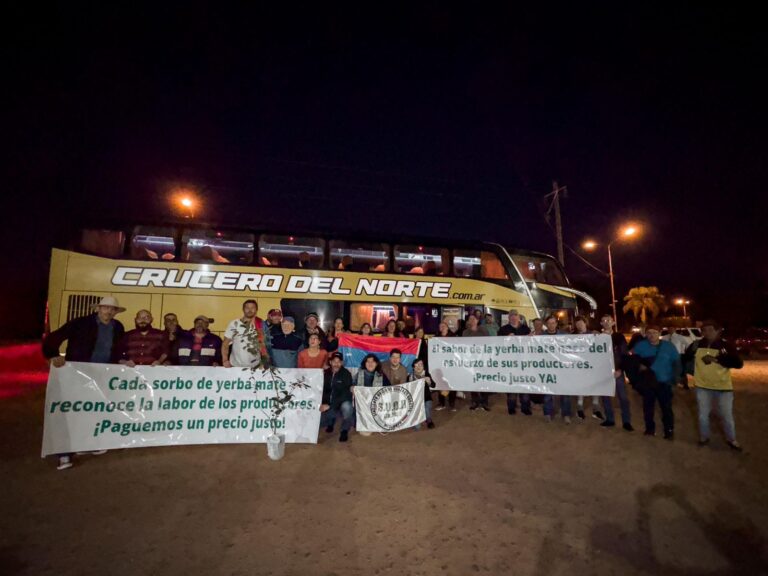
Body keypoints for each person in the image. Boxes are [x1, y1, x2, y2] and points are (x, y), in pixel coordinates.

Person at [42, 296, 126, 471]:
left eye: (112, 309)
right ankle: (64, 454)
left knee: (93, 409)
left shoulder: (118, 327)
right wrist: (52, 354)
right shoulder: (80, 323)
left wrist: (121, 361)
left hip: (102, 375)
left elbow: (117, 349)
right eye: (105, 308)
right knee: (71, 411)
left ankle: (88, 443)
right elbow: (54, 338)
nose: (108, 312)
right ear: (98, 309)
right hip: (77, 374)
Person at [693, 320, 744, 451]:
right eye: (704, 330)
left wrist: (716, 359)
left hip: (723, 387)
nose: (707, 332)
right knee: (703, 415)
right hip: (702, 386)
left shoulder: (726, 345)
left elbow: (738, 364)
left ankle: (732, 439)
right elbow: (685, 358)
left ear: (717, 331)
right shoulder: (696, 345)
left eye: (710, 329)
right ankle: (704, 437)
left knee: (726, 416)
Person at [632, 324, 681, 440]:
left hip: (664, 383)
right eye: (649, 333)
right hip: (648, 383)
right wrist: (638, 367)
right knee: (648, 407)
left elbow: (677, 363)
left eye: (654, 332)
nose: (651, 335)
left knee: (666, 408)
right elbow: (631, 360)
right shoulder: (640, 346)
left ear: (659, 334)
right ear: (645, 334)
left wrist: (675, 379)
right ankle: (650, 429)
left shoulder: (669, 346)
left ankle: (669, 430)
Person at [598, 314, 633, 431]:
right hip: (603, 373)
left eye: (608, 320)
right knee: (606, 397)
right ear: (601, 324)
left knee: (623, 397)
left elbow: (624, 355)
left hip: (617, 372)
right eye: (603, 321)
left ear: (613, 322)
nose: (606, 322)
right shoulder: (598, 337)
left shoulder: (619, 337)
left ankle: (626, 421)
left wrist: (620, 369)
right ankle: (610, 419)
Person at [499, 309, 532, 416]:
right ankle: (511, 407)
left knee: (524, 385)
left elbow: (531, 344)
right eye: (511, 315)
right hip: (510, 363)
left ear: (519, 317)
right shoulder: (503, 329)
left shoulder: (525, 329)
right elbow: (497, 344)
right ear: (509, 318)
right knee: (512, 386)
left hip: (524, 362)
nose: (513, 317)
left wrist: (531, 338)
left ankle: (525, 407)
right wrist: (506, 339)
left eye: (515, 315)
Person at [573, 316, 605, 421]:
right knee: (581, 389)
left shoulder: (593, 334)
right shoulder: (573, 336)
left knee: (595, 388)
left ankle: (596, 410)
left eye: (581, 323)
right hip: (580, 367)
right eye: (577, 324)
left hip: (593, 367)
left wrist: (599, 336)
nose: (579, 325)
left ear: (585, 323)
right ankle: (580, 409)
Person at [541, 315, 572, 423]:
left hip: (562, 369)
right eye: (549, 323)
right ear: (546, 324)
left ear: (556, 324)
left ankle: (566, 414)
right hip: (547, 369)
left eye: (553, 323)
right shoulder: (540, 336)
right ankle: (548, 413)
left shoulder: (564, 335)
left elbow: (577, 342)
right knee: (547, 393)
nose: (551, 325)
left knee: (565, 392)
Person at [222, 299, 268, 368]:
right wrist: (225, 360)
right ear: (243, 309)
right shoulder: (234, 324)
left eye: (252, 308)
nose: (250, 310)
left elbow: (265, 346)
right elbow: (225, 344)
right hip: (236, 366)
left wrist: (265, 362)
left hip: (256, 366)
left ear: (256, 310)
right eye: (247, 308)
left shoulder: (261, 324)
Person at [320, 352, 355, 442]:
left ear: (342, 363)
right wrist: (324, 403)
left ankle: (344, 430)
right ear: (330, 362)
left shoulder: (346, 374)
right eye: (334, 361)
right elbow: (322, 390)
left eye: (339, 361)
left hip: (340, 402)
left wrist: (330, 405)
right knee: (319, 422)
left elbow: (346, 394)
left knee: (347, 407)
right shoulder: (324, 373)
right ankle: (331, 422)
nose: (336, 364)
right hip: (328, 403)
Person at [462, 314, 490, 411]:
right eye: (470, 319)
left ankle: (484, 402)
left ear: (477, 321)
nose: (472, 320)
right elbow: (463, 346)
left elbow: (490, 342)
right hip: (471, 361)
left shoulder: (483, 330)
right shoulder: (465, 333)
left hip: (483, 360)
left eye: (474, 319)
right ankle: (475, 401)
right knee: (472, 381)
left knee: (484, 380)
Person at [434, 321, 458, 411]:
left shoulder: (453, 337)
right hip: (440, 365)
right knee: (440, 383)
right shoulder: (436, 338)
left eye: (444, 326)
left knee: (451, 384)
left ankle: (452, 404)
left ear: (447, 327)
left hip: (451, 365)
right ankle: (442, 403)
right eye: (440, 326)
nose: (442, 328)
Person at [409, 358, 435, 429]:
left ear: (423, 366)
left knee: (427, 408)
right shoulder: (410, 377)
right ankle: (415, 419)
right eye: (417, 365)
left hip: (426, 398)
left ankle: (429, 420)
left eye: (421, 365)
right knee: (417, 427)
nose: (419, 367)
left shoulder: (426, 374)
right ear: (413, 367)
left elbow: (433, 385)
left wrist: (429, 382)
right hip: (415, 400)